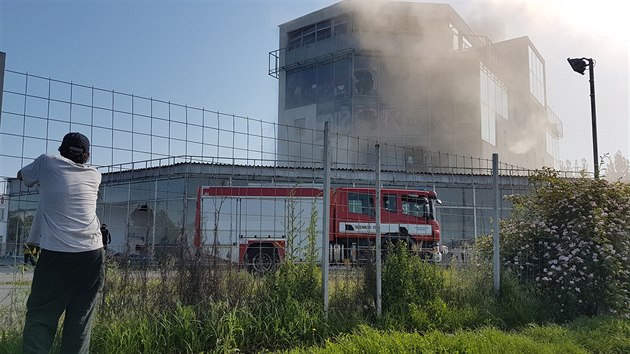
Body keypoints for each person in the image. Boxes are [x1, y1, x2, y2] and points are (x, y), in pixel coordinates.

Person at [19, 132, 104, 354]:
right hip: (93, 253)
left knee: (41, 316)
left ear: (60, 150)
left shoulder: (46, 162)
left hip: (58, 253)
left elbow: (22, 175)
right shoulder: (95, 175)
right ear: (87, 155)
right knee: (80, 319)